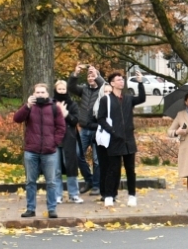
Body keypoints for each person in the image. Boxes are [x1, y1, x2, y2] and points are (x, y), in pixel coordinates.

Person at [92, 72, 145, 207]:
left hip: (128, 139)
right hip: (114, 139)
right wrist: (112, 131)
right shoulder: (106, 100)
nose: (121, 81)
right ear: (112, 83)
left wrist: (140, 83)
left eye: (122, 79)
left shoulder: (128, 98)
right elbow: (101, 119)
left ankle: (132, 195)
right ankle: (109, 196)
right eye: (118, 80)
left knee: (130, 170)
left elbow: (141, 98)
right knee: (113, 169)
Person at [72, 63, 102, 193]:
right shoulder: (84, 90)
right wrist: (75, 74)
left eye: (93, 76)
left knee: (97, 160)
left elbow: (103, 85)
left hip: (97, 129)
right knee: (77, 154)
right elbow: (71, 87)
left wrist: (96, 75)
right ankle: (89, 180)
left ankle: (96, 185)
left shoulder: (102, 90)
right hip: (84, 129)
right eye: (89, 76)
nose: (91, 78)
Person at [53, 79, 84, 204]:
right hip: (54, 140)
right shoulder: (51, 104)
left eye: (63, 89)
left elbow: (75, 120)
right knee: (56, 169)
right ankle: (57, 195)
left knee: (71, 167)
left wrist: (66, 114)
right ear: (55, 90)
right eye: (59, 89)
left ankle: (74, 194)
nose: (61, 91)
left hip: (69, 139)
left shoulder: (72, 104)